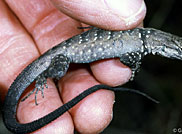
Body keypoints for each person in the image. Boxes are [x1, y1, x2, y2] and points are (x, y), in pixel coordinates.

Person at [0, 0, 146, 133]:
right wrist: (135, 67)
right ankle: (41, 77)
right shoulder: (139, 38)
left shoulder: (140, 38)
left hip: (69, 49)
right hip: (62, 56)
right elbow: (127, 58)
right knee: (59, 72)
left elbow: (127, 56)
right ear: (162, 48)